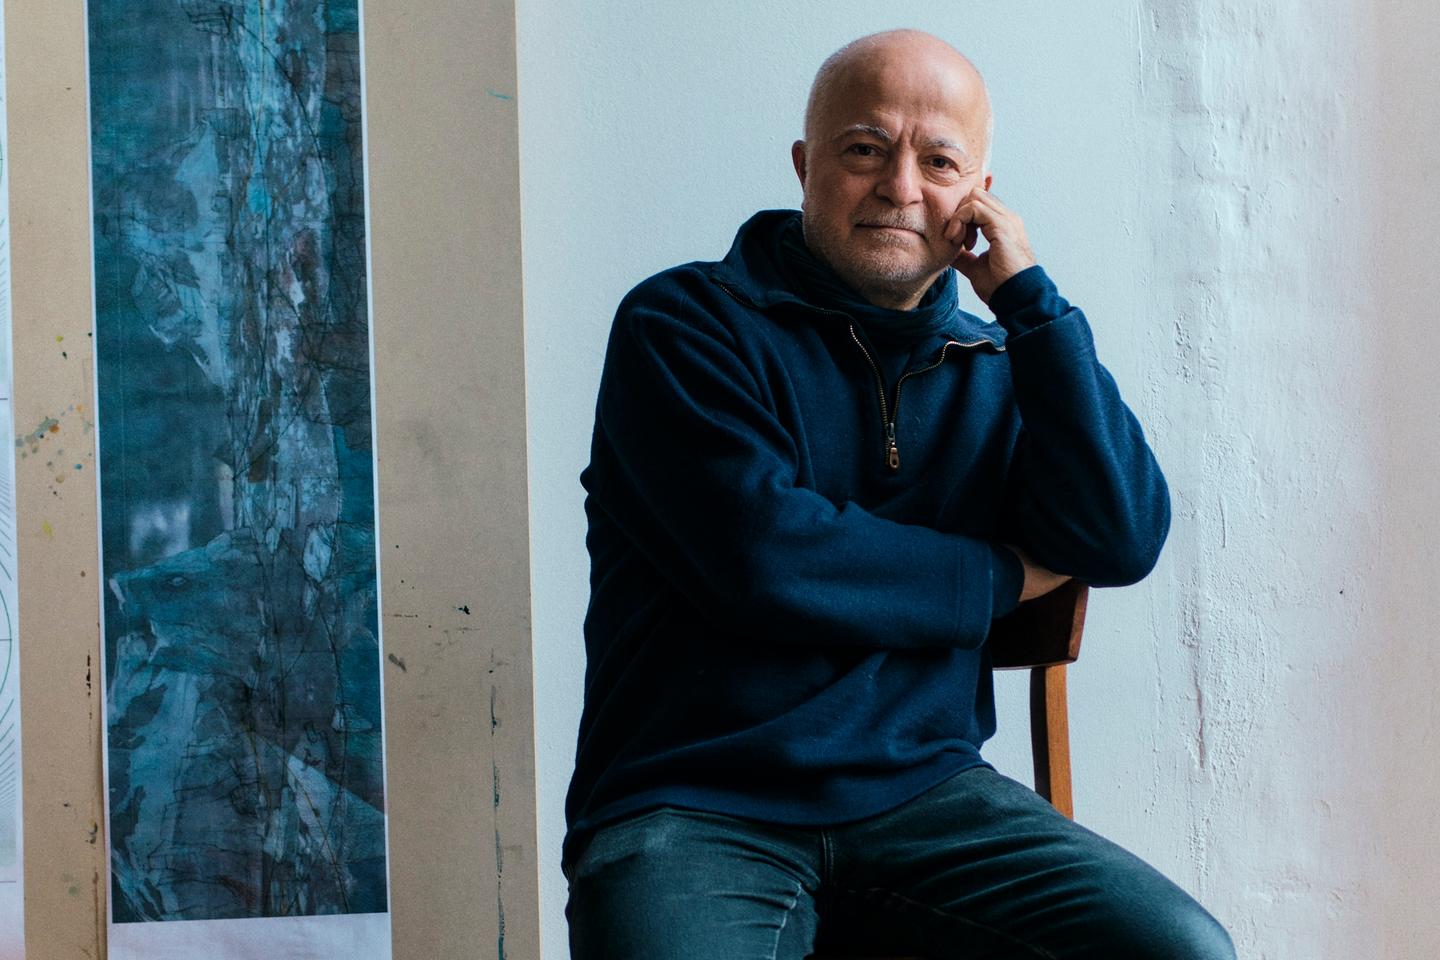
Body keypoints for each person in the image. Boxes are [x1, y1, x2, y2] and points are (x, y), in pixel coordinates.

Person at [563, 28, 1236, 960]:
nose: (901, 187)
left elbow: (1119, 539)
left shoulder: (1001, 365)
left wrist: (1031, 304)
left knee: (1182, 952)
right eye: (865, 149)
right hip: (694, 803)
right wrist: (1001, 577)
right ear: (805, 166)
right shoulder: (682, 325)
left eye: (939, 161)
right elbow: (765, 560)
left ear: (979, 195)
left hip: (927, 797)